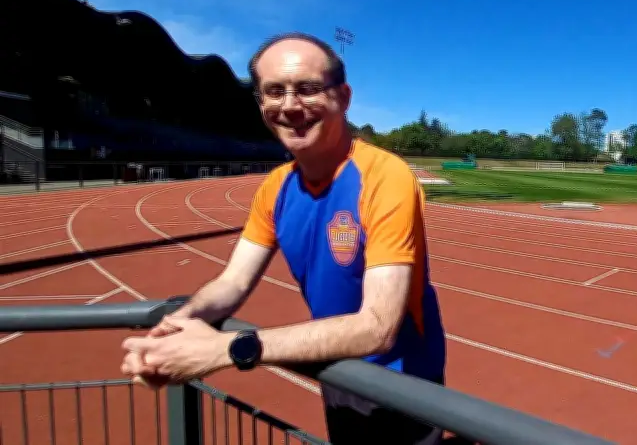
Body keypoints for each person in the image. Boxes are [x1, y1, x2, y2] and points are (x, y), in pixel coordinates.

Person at [120, 32, 447, 445]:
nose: (289, 106)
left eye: (308, 89)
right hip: (335, 365)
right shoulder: (274, 189)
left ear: (343, 97)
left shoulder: (385, 177)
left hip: (402, 381)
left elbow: (377, 327)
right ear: (261, 104)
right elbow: (233, 282)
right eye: (274, 92)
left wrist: (226, 349)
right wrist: (178, 324)